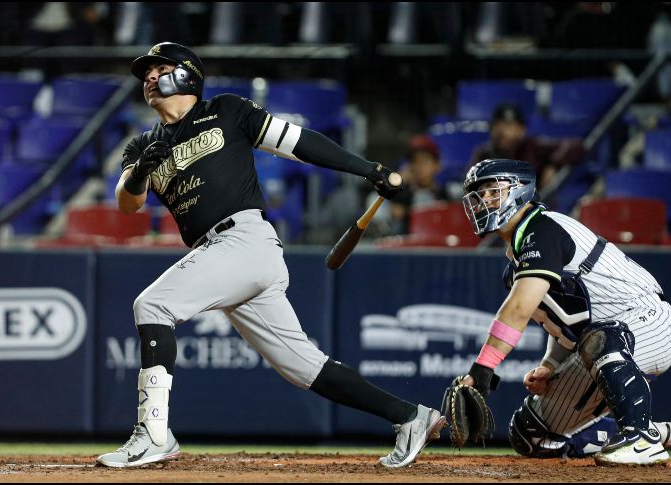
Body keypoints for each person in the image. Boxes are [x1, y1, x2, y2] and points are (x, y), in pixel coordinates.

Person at [95, 42, 446, 469]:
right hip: (221, 255)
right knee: (304, 368)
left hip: (244, 241)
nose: (149, 77)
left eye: (159, 68)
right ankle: (410, 416)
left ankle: (153, 434)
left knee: (152, 304)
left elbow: (299, 143)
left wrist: (369, 169)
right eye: (145, 73)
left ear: (188, 73)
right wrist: (142, 175)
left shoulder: (226, 110)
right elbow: (128, 202)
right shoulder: (144, 144)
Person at [456, 158, 671, 465]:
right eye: (479, 194)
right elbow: (565, 320)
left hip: (652, 320)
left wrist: (484, 367)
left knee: (599, 338)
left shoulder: (542, 228)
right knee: (531, 433)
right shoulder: (518, 259)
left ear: (520, 190)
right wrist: (549, 364)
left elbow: (519, 308)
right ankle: (648, 430)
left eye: (493, 190)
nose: (484, 201)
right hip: (601, 340)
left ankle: (641, 436)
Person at [469, 103, 585, 190]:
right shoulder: (484, 155)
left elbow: (575, 147)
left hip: (531, 211)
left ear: (522, 130)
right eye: (499, 126)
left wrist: (552, 165)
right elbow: (471, 185)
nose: (504, 132)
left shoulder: (534, 147)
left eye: (511, 126)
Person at [388, 134, 450, 235]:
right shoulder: (404, 190)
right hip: (406, 242)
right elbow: (395, 212)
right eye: (415, 161)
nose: (419, 167)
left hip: (436, 242)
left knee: (424, 197)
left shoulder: (443, 191)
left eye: (425, 161)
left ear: (437, 165)